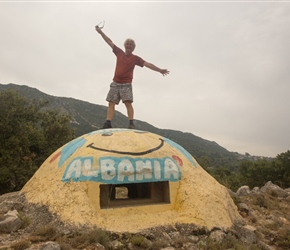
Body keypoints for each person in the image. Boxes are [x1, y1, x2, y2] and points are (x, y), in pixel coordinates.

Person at [95, 24, 169, 129]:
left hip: (126, 84)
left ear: (133, 48)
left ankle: (131, 123)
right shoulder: (119, 53)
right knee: (111, 103)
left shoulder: (135, 58)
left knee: (128, 103)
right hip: (115, 83)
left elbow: (148, 64)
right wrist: (100, 32)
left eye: (131, 44)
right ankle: (108, 122)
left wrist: (160, 70)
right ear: (125, 46)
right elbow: (109, 41)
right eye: (127, 44)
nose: (129, 45)